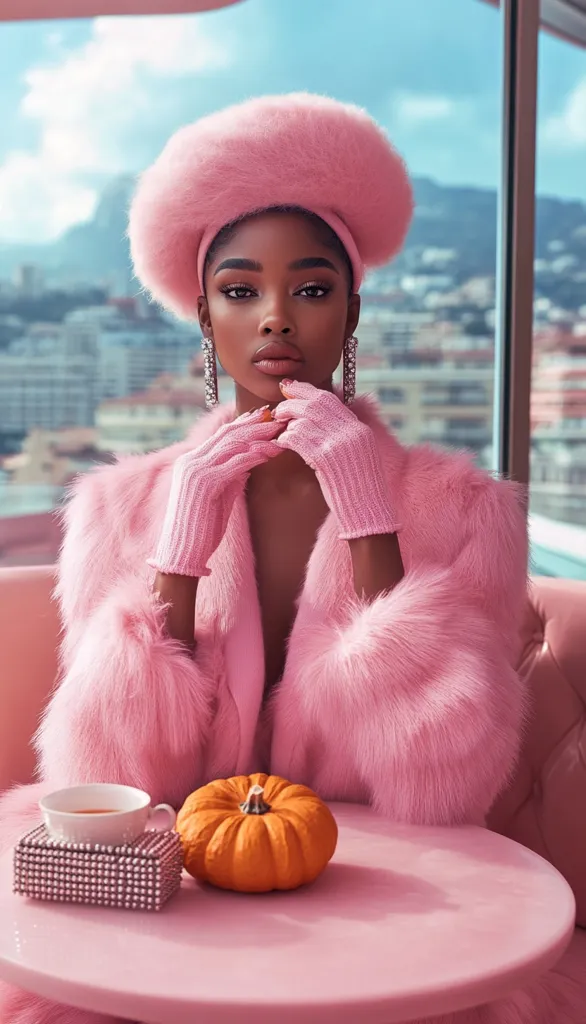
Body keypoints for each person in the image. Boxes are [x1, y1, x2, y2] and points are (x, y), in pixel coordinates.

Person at [0, 93, 584, 1024]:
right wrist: (179, 556)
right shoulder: (120, 505)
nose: (276, 318)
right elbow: (106, 773)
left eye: (311, 289)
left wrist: (369, 518)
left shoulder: (466, 508)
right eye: (241, 290)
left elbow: (444, 785)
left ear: (353, 311)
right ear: (205, 317)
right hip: (172, 913)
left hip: (390, 909)